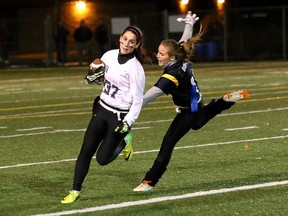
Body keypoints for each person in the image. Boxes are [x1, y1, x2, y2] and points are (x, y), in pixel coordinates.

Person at [132, 12, 250, 192]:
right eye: (158, 51)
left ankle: (149, 181)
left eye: (161, 53)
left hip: (189, 109)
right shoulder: (181, 54)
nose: (157, 55)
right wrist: (189, 23)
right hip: (197, 102)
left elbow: (148, 97)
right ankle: (224, 102)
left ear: (171, 57)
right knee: (198, 123)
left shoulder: (171, 76)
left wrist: (128, 108)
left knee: (168, 143)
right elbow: (185, 37)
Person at [61, 25, 151, 204]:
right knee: (85, 151)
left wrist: (128, 123)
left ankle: (125, 139)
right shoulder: (108, 55)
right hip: (102, 109)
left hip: (119, 116)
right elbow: (102, 80)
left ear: (137, 44)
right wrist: (92, 77)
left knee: (102, 160)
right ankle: (75, 190)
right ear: (120, 37)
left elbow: (138, 100)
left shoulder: (136, 69)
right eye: (124, 39)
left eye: (131, 42)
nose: (126, 44)